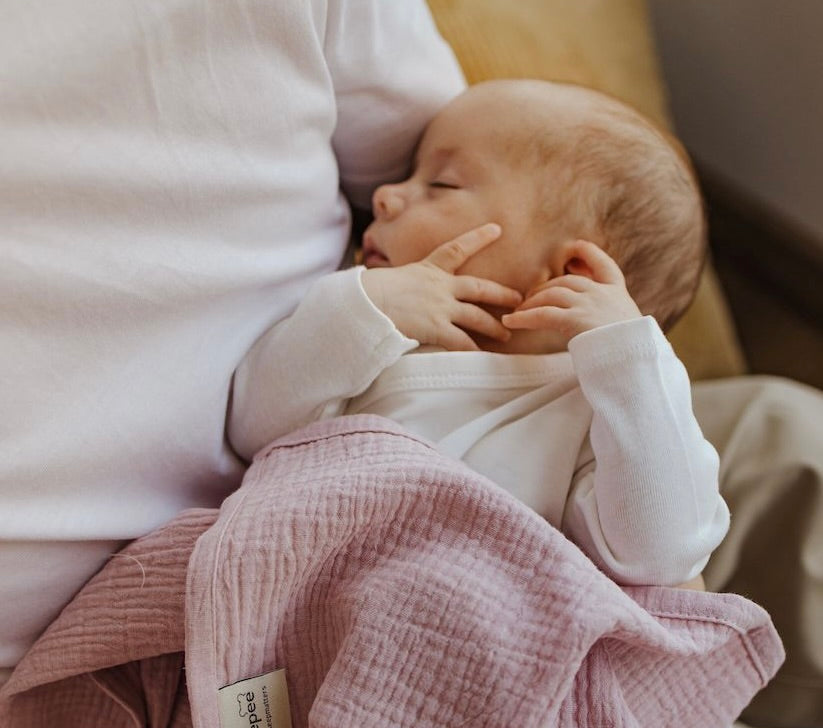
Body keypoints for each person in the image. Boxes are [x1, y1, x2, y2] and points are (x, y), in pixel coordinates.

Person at [0, 0, 465, 685]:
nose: (394, 200)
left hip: (217, 621)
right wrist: (359, 311)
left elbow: (493, 161)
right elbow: (259, 423)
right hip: (179, 631)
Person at [229, 79, 728, 587]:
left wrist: (628, 362)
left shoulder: (599, 415)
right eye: (408, 174)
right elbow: (255, 429)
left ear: (569, 272)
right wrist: (363, 310)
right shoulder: (377, 340)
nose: (383, 196)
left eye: (440, 184)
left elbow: (661, 555)